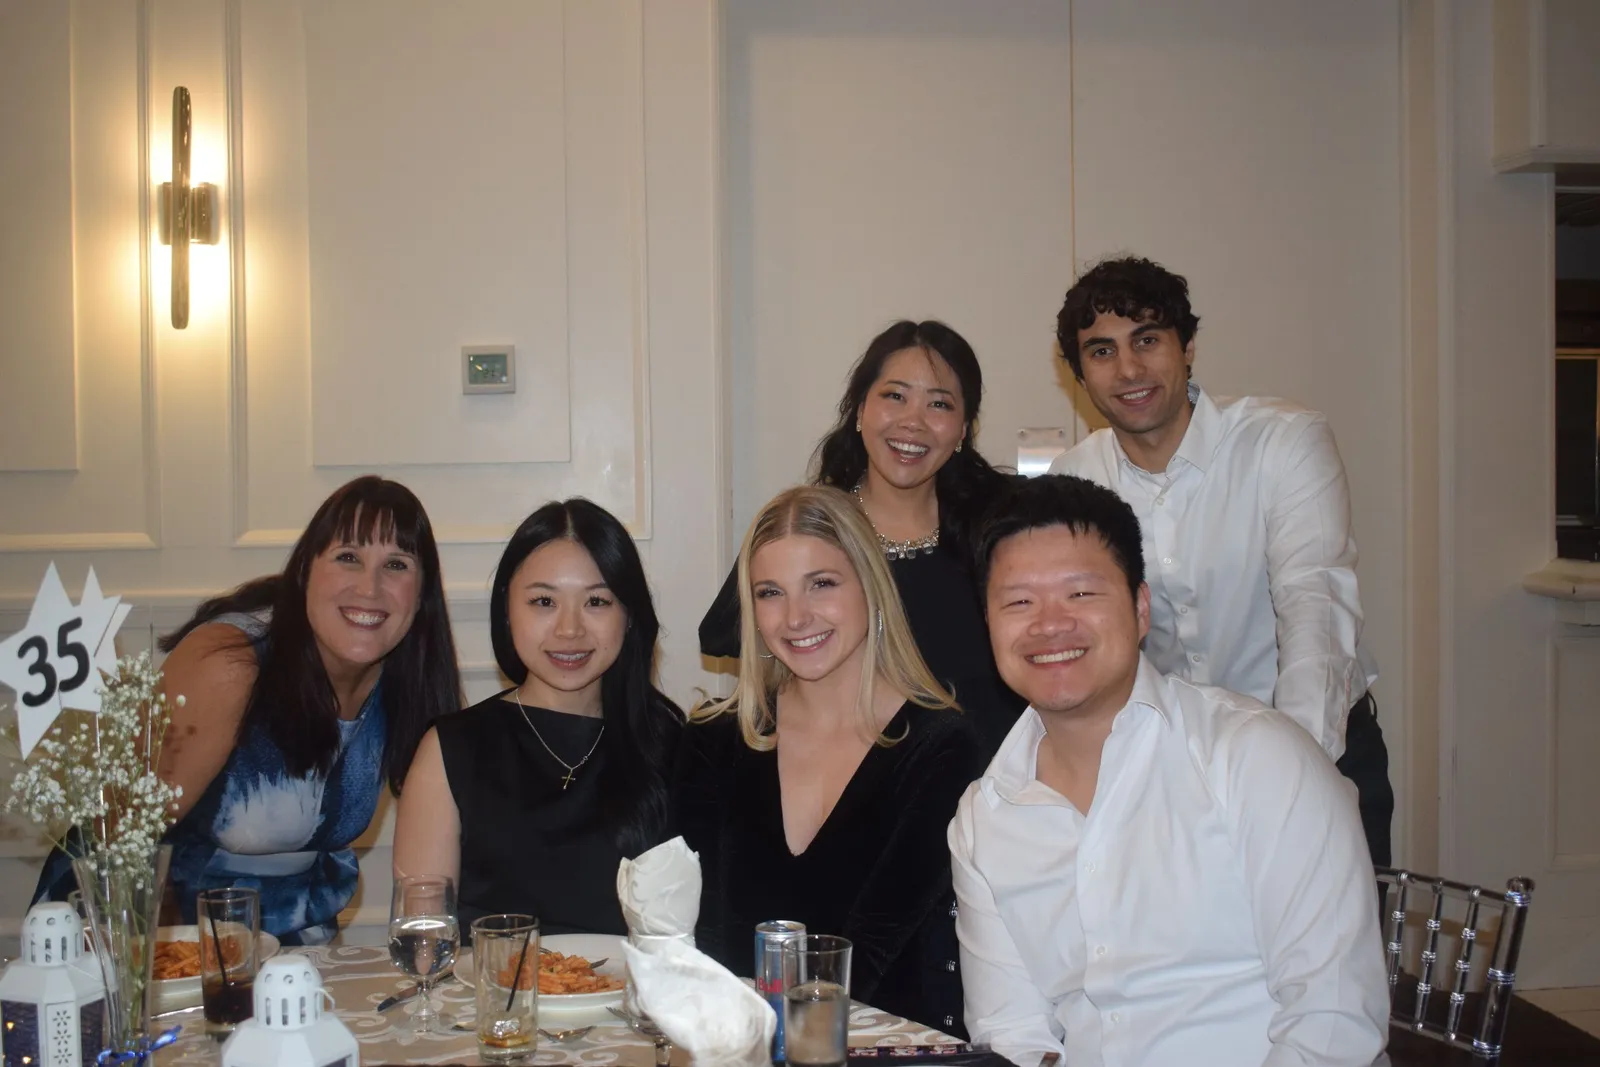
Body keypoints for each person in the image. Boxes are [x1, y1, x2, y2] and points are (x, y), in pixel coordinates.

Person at [951, 474, 1388, 1067]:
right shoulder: (985, 817)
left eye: (1081, 593)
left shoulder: (1255, 758)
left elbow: (1333, 1021)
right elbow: (1011, 1033)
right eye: (1019, 602)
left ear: (1140, 608)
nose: (1050, 624)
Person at [1048, 256, 1394, 864]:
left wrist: (1293, 774)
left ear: (1187, 348)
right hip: (1169, 763)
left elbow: (1314, 607)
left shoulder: (1282, 442)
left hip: (1314, 742)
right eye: (1102, 351)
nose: (1128, 370)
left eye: (1147, 340)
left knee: (1329, 925)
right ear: (1079, 373)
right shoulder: (1074, 479)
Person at [34, 476, 463, 945]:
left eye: (396, 565)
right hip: (158, 946)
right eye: (348, 557)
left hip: (292, 951)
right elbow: (117, 839)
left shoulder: (404, 683)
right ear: (306, 570)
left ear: (421, 592)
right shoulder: (230, 665)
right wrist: (154, 973)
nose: (370, 587)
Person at [676, 485, 982, 1035]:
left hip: (887, 1046)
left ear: (871, 586)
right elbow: (702, 939)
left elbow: (873, 953)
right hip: (736, 1043)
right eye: (770, 593)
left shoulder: (941, 746)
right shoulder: (714, 738)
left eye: (821, 584)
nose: (795, 617)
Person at [700, 320, 1022, 758]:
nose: (913, 422)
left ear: (963, 428)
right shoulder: (815, 528)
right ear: (859, 410)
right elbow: (728, 634)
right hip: (859, 783)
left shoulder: (1002, 531)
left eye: (939, 404)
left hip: (998, 778)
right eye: (895, 396)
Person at [393, 498, 682, 934]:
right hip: (483, 980)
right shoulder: (450, 748)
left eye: (597, 601)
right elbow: (424, 939)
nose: (569, 630)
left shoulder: (670, 745)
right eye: (544, 601)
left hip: (629, 981)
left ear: (629, 617)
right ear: (507, 611)